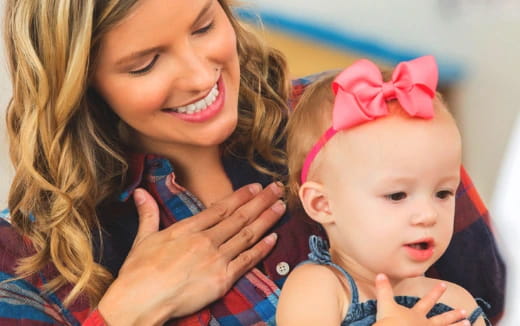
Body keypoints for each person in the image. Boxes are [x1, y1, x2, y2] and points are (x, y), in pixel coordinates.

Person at [0, 0, 504, 325]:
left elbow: (488, 292)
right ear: (78, 82)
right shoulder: (29, 258)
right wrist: (126, 312)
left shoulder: (355, 119)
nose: (201, 76)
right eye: (146, 63)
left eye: (203, 25)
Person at [276, 56, 491, 325]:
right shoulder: (319, 289)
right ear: (323, 204)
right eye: (397, 195)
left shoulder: (457, 302)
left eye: (443, 193)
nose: (428, 215)